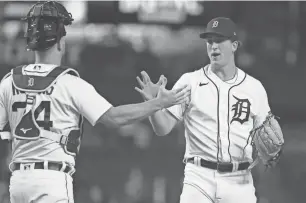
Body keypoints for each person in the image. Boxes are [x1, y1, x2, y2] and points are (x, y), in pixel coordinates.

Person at [0, 2, 190, 203]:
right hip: (51, 179)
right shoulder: (69, 83)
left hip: (18, 180)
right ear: (60, 43)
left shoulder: (9, 81)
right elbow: (114, 117)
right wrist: (157, 104)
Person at [135, 17, 284, 203]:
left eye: (220, 40)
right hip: (199, 177)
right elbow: (163, 128)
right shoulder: (189, 82)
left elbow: (268, 135)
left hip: (239, 179)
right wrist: (152, 105)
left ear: (234, 45)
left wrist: (272, 152)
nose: (214, 46)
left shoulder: (255, 88)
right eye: (210, 41)